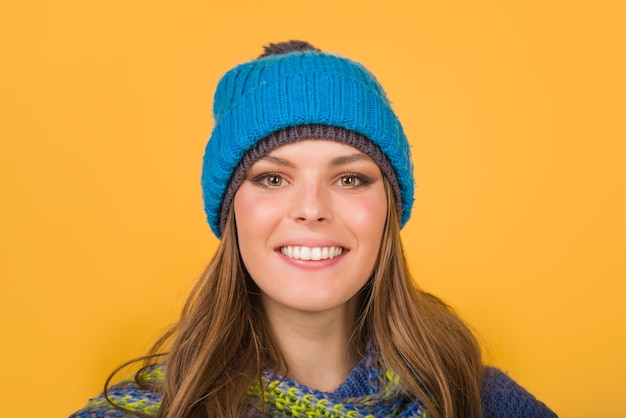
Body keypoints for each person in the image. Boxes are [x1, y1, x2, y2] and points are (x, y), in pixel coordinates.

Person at [70, 40, 556, 418]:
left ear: (388, 208)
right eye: (272, 178)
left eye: (349, 179)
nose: (311, 209)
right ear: (232, 211)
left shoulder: (483, 402)